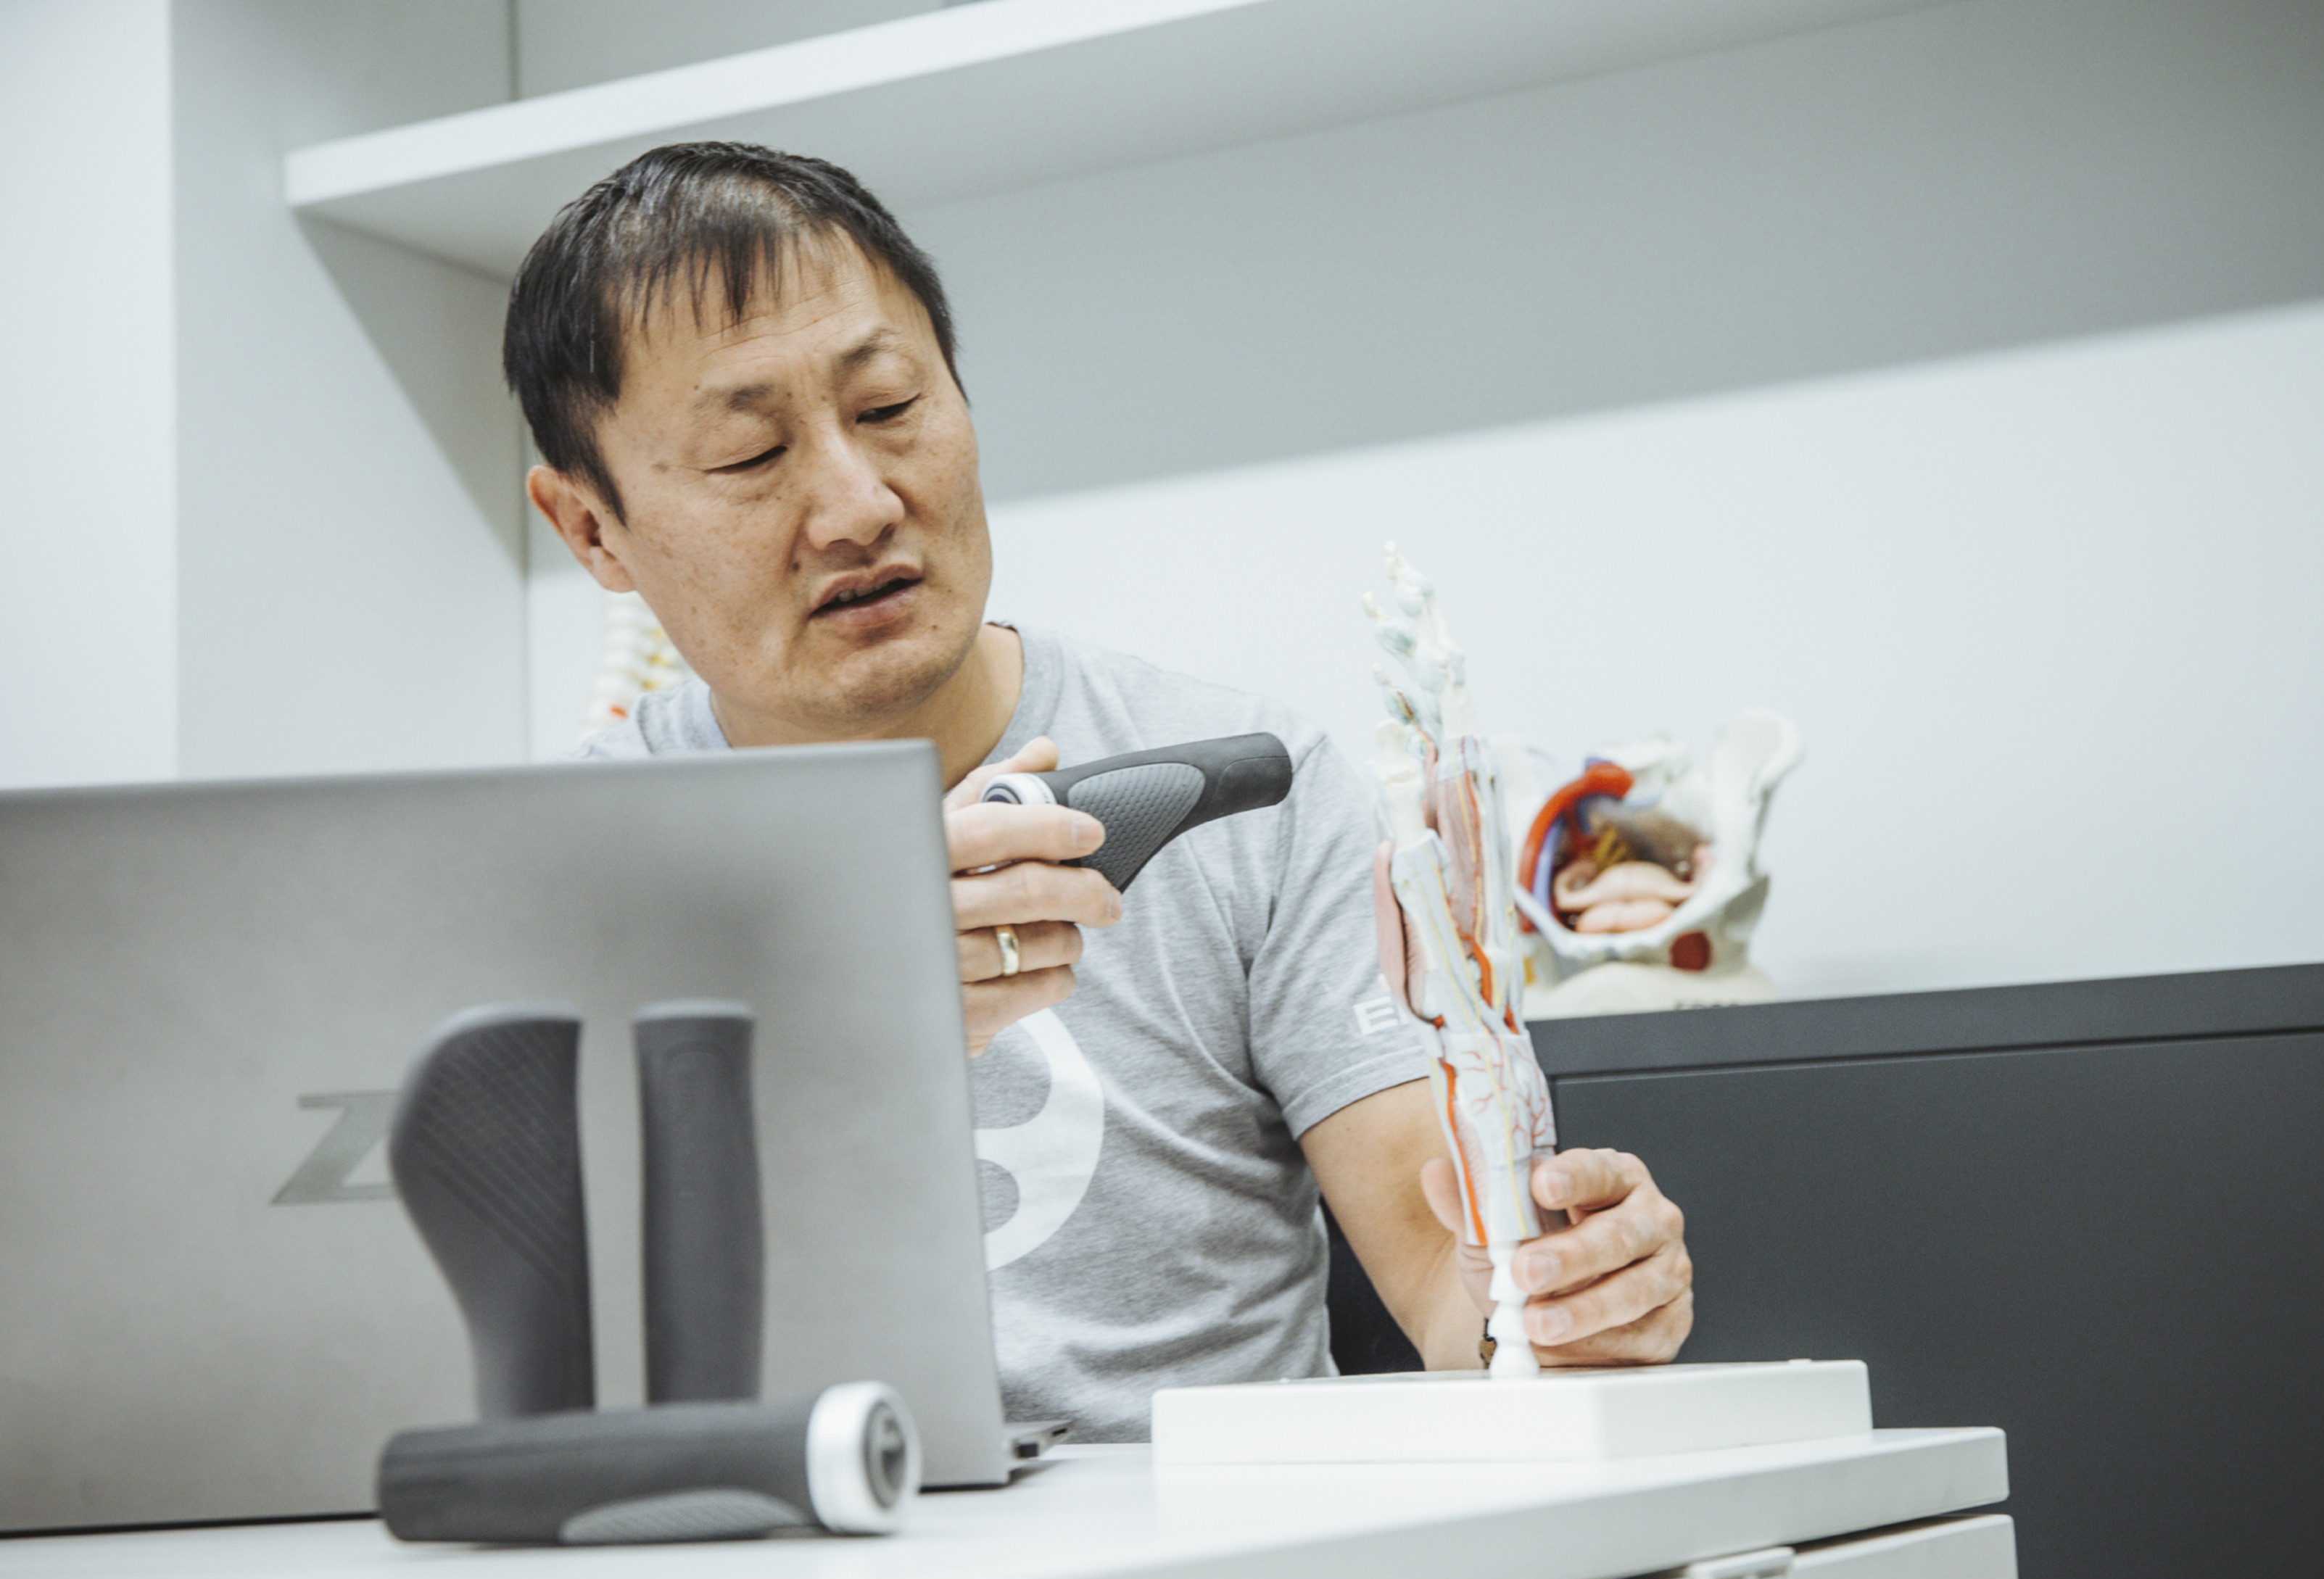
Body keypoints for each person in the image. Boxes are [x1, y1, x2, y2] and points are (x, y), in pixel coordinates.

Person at [510, 142, 1692, 1441]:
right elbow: (514, 1344)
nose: (857, 504)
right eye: (749, 457)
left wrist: (1547, 1305)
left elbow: (1438, 1256)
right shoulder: (555, 863)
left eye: (892, 406)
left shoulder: (1244, 779)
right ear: (591, 530)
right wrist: (834, 1014)